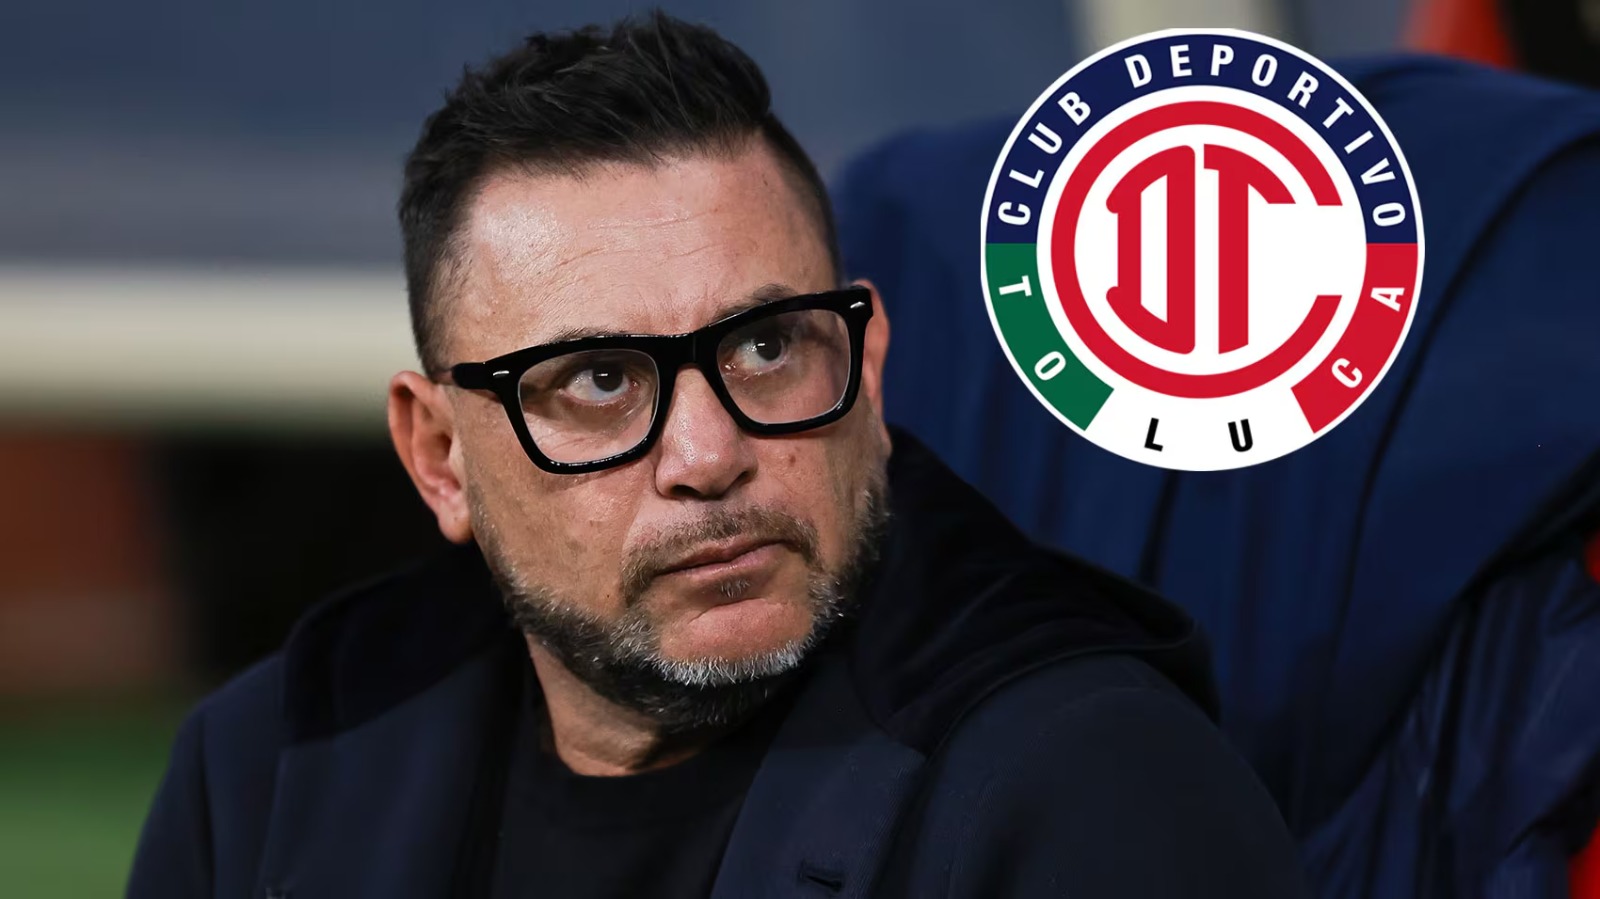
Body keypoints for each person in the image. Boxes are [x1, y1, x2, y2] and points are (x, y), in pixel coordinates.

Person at [126, 13, 1307, 898]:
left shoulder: (1091, 788)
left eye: (764, 346)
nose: (707, 453)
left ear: (868, 366)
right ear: (439, 455)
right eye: (599, 380)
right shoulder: (268, 763)